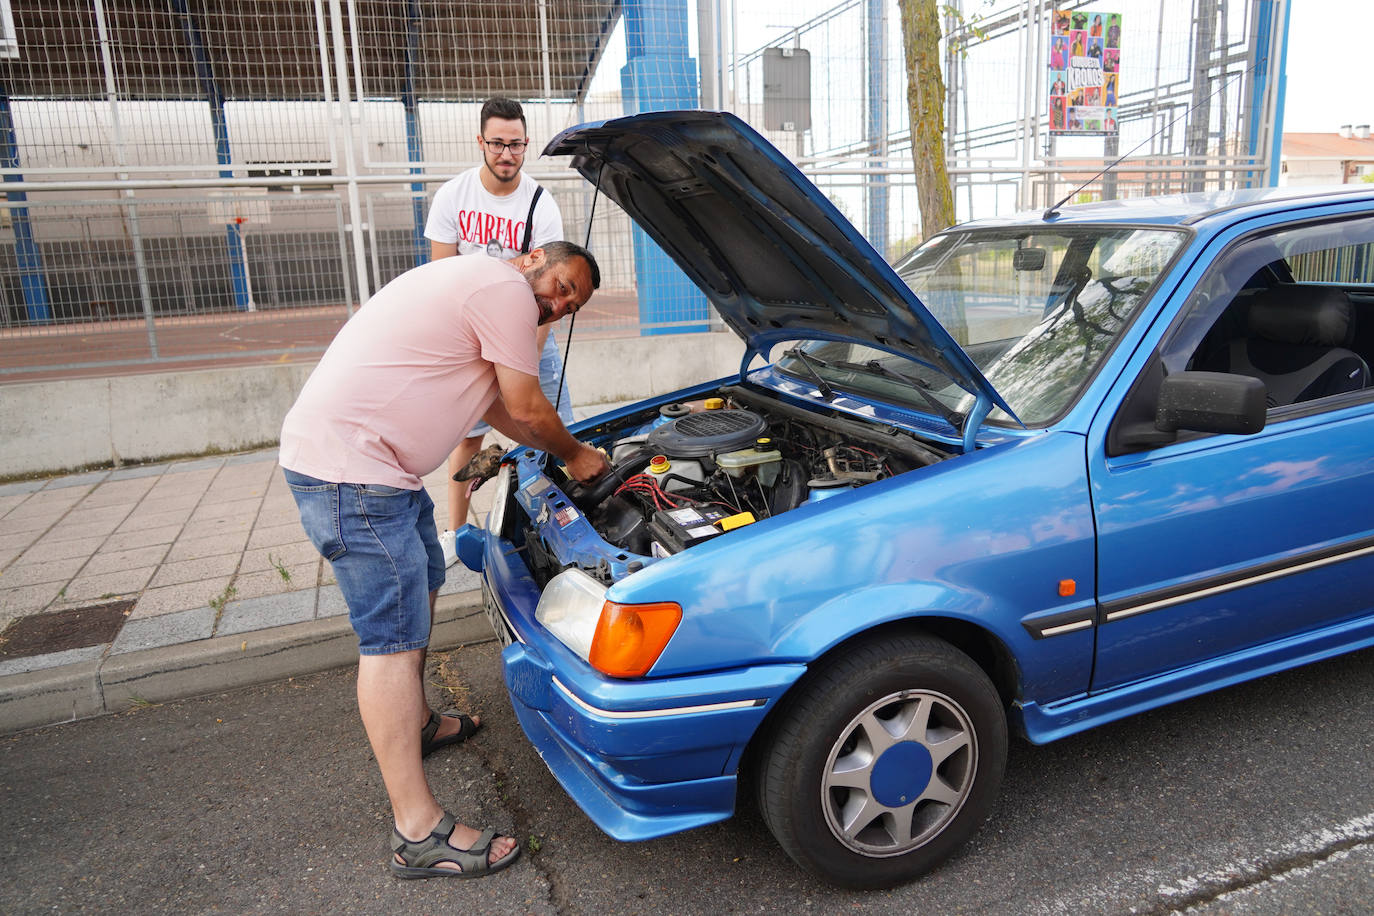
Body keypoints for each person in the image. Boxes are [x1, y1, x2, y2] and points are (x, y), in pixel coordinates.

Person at [279, 242, 610, 879]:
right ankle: (417, 832)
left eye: (573, 304)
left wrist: (551, 449)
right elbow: (530, 407)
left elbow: (496, 408)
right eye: (565, 285)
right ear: (533, 258)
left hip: (379, 474)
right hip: (353, 478)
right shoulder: (505, 291)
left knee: (425, 581)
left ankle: (420, 722)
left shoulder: (488, 291)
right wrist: (575, 455)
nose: (562, 303)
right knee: (392, 642)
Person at [424, 97, 574, 565]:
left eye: (516, 145)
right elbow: (441, 279)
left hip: (526, 339)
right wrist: (473, 357)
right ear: (481, 142)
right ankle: (456, 532)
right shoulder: (453, 196)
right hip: (470, 345)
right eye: (497, 144)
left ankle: (562, 528)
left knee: (555, 433)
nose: (507, 154)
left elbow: (549, 301)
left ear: (525, 144)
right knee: (467, 439)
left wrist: (520, 365)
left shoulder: (539, 204)